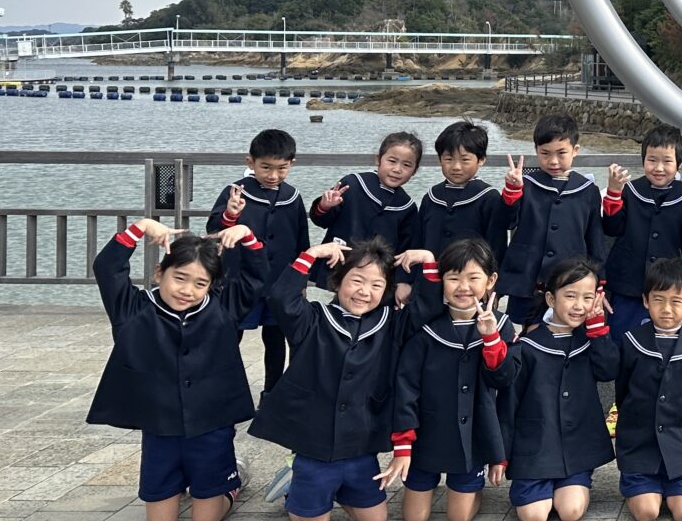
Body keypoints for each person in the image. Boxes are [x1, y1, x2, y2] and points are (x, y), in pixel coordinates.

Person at [86, 218, 264, 521]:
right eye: (179, 278)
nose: (187, 290)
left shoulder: (223, 307)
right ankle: (180, 481)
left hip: (211, 427)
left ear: (211, 285)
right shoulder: (133, 309)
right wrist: (140, 227)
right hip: (160, 429)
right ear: (159, 273)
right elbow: (107, 268)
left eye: (200, 283)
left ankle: (232, 482)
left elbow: (257, 277)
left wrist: (247, 236)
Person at [249, 238, 405, 521]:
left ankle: (336, 492)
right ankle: (295, 484)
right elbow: (281, 298)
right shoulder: (314, 319)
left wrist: (427, 262)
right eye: (356, 280)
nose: (364, 291)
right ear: (337, 281)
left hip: (360, 447)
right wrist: (311, 254)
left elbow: (428, 309)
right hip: (314, 447)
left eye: (376, 285)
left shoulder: (390, 324)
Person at [386, 239, 513, 521]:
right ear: (441, 280)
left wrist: (490, 338)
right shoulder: (425, 328)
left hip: (473, 439)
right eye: (453, 278)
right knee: (414, 518)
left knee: (459, 518)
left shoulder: (501, 325)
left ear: (491, 281)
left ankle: (472, 487)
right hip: (428, 436)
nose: (463, 287)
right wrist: (403, 444)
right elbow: (406, 386)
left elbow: (505, 380)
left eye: (473, 278)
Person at [505, 256, 618, 521]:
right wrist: (502, 455)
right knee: (534, 517)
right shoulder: (528, 346)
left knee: (571, 512)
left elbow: (608, 370)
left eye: (587, 297)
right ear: (551, 299)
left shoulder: (591, 339)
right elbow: (509, 403)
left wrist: (598, 328)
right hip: (535, 450)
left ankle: (572, 482)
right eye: (570, 296)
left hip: (576, 450)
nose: (579, 305)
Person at [208, 127, 310, 398]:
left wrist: (299, 281)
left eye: (281, 168)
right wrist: (230, 215)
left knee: (275, 339)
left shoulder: (293, 196)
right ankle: (225, 391)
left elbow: (302, 241)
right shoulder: (236, 193)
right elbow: (214, 229)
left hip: (278, 282)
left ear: (291, 164)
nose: (273, 175)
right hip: (239, 280)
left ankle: (272, 393)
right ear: (250, 162)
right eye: (265, 167)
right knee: (230, 336)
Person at [614, 257, 682, 521]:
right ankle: (638, 483)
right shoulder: (631, 341)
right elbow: (622, 391)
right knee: (646, 513)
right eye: (658, 300)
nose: (667, 309)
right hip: (640, 445)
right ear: (645, 300)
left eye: (676, 301)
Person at [498, 113, 605, 322]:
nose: (553, 161)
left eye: (561, 153)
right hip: (526, 281)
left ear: (575, 150)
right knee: (522, 332)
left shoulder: (588, 190)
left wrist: (599, 283)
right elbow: (506, 221)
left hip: (569, 282)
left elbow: (595, 239)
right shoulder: (526, 184)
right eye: (545, 153)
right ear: (536, 150)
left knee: (566, 330)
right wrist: (512, 190)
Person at [600, 124, 682, 336]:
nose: (659, 168)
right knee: (622, 337)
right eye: (652, 160)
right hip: (628, 283)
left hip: (668, 287)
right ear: (643, 159)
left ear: (680, 163)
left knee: (664, 338)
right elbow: (612, 227)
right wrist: (614, 193)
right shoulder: (630, 190)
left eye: (667, 161)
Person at [416, 120, 513, 308]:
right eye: (448, 159)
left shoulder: (489, 198)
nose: (456, 166)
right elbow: (418, 241)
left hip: (470, 288)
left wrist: (494, 286)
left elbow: (497, 244)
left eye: (465, 159)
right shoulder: (431, 197)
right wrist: (408, 281)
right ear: (440, 159)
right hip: (430, 284)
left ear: (481, 160)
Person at [307, 130, 422, 285]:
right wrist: (325, 206)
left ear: (414, 170)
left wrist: (402, 282)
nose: (397, 169)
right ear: (378, 159)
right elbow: (321, 220)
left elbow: (403, 252)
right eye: (392, 161)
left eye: (406, 165)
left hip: (375, 280)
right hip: (335, 268)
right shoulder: (352, 184)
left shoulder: (407, 207)